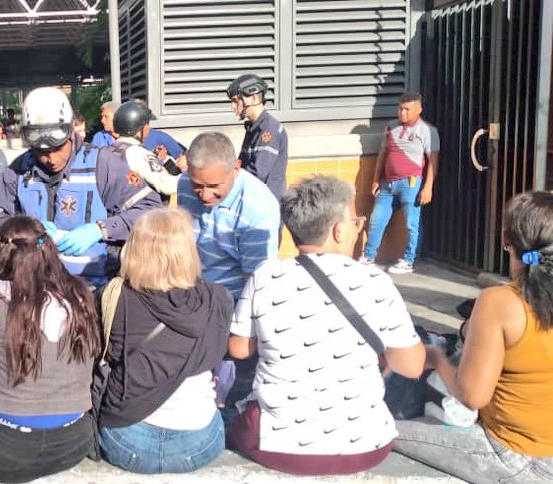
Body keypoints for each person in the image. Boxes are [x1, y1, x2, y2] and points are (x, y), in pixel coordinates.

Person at [228, 175, 425, 476]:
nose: (358, 229)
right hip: (365, 446)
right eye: (356, 222)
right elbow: (411, 366)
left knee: (233, 416)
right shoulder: (374, 281)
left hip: (278, 446)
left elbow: (239, 348)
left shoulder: (265, 276)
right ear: (337, 231)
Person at [392, 191, 553, 482]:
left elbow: (472, 396)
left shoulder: (500, 302)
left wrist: (438, 358)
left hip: (517, 456)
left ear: (506, 239)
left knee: (380, 431)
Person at [0, 216, 99, 482]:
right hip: (73, 443)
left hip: (2, 451)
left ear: (0, 253)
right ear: (47, 250)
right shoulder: (81, 296)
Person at [95, 208, 232, 474]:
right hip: (199, 443)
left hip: (124, 438)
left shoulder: (111, 296)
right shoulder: (217, 297)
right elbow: (217, 353)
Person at [0, 87, 161, 282]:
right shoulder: (18, 170)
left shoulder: (103, 164)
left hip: (93, 288)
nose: (50, 158)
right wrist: (24, 229)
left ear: (70, 133)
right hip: (35, 287)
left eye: (57, 148)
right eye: (41, 152)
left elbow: (151, 211)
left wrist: (102, 229)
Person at [177, 131, 280, 300]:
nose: (205, 195)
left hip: (232, 303)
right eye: (197, 185)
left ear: (236, 168)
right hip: (190, 295)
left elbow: (257, 283)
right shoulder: (184, 183)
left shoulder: (258, 209)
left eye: (214, 185)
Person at [361, 92, 440, 274]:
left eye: (407, 109)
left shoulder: (427, 130)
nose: (403, 113)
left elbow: (433, 161)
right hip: (388, 184)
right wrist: (375, 179)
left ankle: (409, 260)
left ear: (419, 109)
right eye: (400, 108)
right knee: (377, 219)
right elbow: (383, 154)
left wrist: (428, 187)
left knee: (412, 223)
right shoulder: (391, 127)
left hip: (411, 183)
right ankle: (368, 256)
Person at [227, 74, 288, 200]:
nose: (232, 106)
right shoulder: (253, 128)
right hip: (253, 199)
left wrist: (228, 181)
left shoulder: (269, 130)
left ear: (253, 98)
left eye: (235, 101)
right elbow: (242, 164)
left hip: (267, 205)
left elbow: (258, 173)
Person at [113, 100, 182, 197]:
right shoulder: (138, 153)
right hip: (138, 211)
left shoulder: (111, 149)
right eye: (147, 124)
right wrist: (188, 174)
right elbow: (167, 186)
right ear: (140, 128)